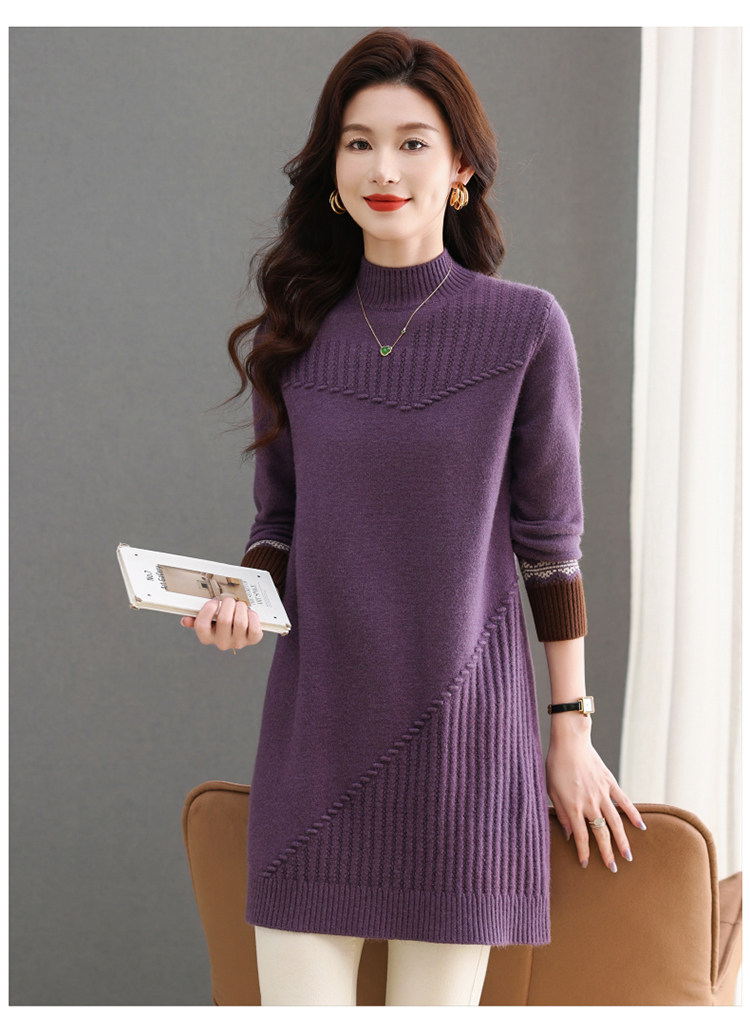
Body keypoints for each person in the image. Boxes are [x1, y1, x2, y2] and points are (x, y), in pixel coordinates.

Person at [181, 28, 646, 1006]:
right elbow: (279, 523)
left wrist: (569, 731)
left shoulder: (526, 328)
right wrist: (241, 600)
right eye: (358, 143)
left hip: (465, 751)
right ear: (331, 168)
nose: (382, 169)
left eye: (412, 142)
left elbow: (551, 550)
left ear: (461, 168)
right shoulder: (292, 334)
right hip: (316, 744)